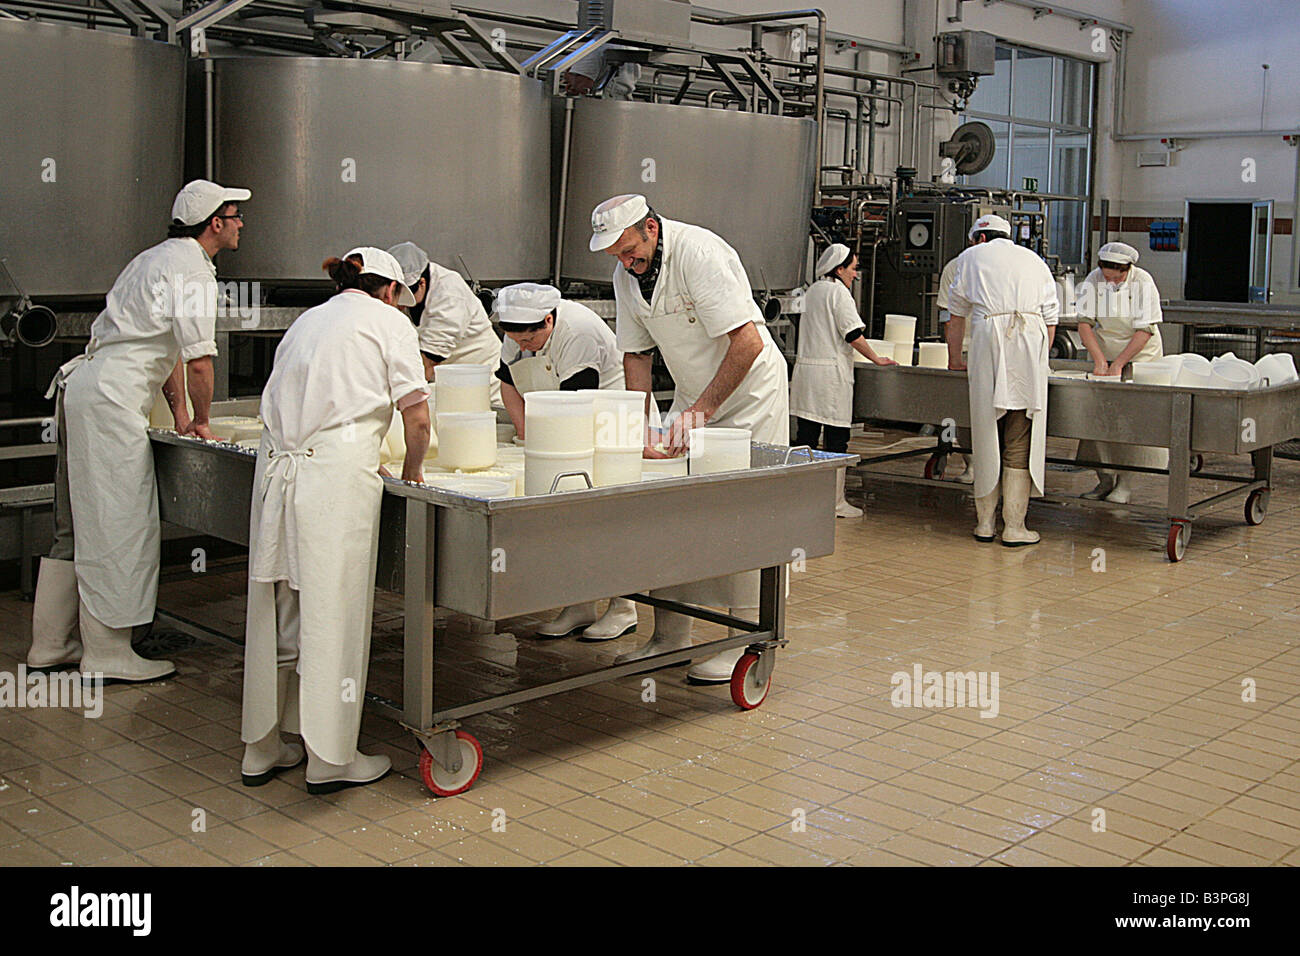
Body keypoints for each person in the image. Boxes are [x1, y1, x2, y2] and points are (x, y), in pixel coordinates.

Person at [26, 179, 249, 682]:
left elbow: (164, 349)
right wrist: (204, 421)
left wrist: (180, 415)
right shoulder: (192, 269)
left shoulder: (151, 258)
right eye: (235, 216)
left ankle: (51, 644)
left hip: (84, 390)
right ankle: (107, 654)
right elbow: (197, 359)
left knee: (78, 524)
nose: (240, 225)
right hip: (110, 402)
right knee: (118, 521)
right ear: (215, 222)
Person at [240, 247, 430, 794]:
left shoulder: (307, 321)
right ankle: (330, 759)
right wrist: (414, 472)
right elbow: (416, 417)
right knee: (335, 609)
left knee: (277, 606)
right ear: (391, 291)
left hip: (277, 470)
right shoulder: (388, 322)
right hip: (334, 477)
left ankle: (263, 747)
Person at [591, 193, 790, 685]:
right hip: (693, 395)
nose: (624, 260)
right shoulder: (627, 275)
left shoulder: (700, 253)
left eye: (628, 248)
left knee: (744, 512)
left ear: (651, 228)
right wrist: (642, 422)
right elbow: (635, 356)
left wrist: (702, 412)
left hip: (749, 396)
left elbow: (749, 342)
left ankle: (748, 640)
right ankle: (670, 636)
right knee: (670, 505)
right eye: (614, 254)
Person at [495, 282, 638, 641]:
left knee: (606, 513)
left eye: (528, 342)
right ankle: (578, 604)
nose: (522, 347)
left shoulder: (578, 333)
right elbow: (508, 382)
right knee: (570, 518)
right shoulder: (518, 328)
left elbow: (576, 404)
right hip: (562, 417)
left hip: (606, 417)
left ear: (548, 320)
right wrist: (526, 432)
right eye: (516, 340)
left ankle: (623, 607)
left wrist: (548, 443)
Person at [945, 214, 1059, 546]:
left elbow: (955, 316)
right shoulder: (1034, 260)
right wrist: (1038, 362)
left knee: (985, 432)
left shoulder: (970, 258)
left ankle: (984, 524)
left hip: (988, 344)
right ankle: (1015, 526)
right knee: (1019, 435)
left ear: (979, 238)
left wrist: (955, 360)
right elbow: (1051, 321)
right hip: (1030, 342)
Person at [790, 243, 896, 518]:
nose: (856, 275)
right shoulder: (839, 293)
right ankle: (835, 502)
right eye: (853, 268)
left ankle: (802, 497)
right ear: (839, 269)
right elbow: (852, 335)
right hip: (829, 378)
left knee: (806, 439)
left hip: (806, 374)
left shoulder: (812, 291)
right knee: (837, 440)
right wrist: (877, 358)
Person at [1074, 241, 1168, 504]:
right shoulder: (1094, 280)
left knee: (1132, 421)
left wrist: (1119, 364)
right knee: (1097, 418)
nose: (1111, 281)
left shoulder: (1143, 282)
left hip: (1141, 357)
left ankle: (1125, 484)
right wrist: (1100, 359)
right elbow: (1084, 324)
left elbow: (1145, 330)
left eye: (1117, 277)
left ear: (1128, 270)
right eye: (1106, 276)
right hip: (1105, 354)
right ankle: (1103, 479)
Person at [386, 241, 502, 405]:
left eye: (406, 294)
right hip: (448, 385)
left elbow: (429, 361)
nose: (400, 303)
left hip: (482, 384)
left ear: (422, 283)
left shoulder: (450, 294)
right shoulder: (412, 294)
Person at [936, 240, 975, 484]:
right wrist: (955, 356)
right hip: (967, 349)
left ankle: (986, 467)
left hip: (989, 349)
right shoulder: (955, 268)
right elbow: (948, 316)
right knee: (960, 414)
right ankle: (973, 465)